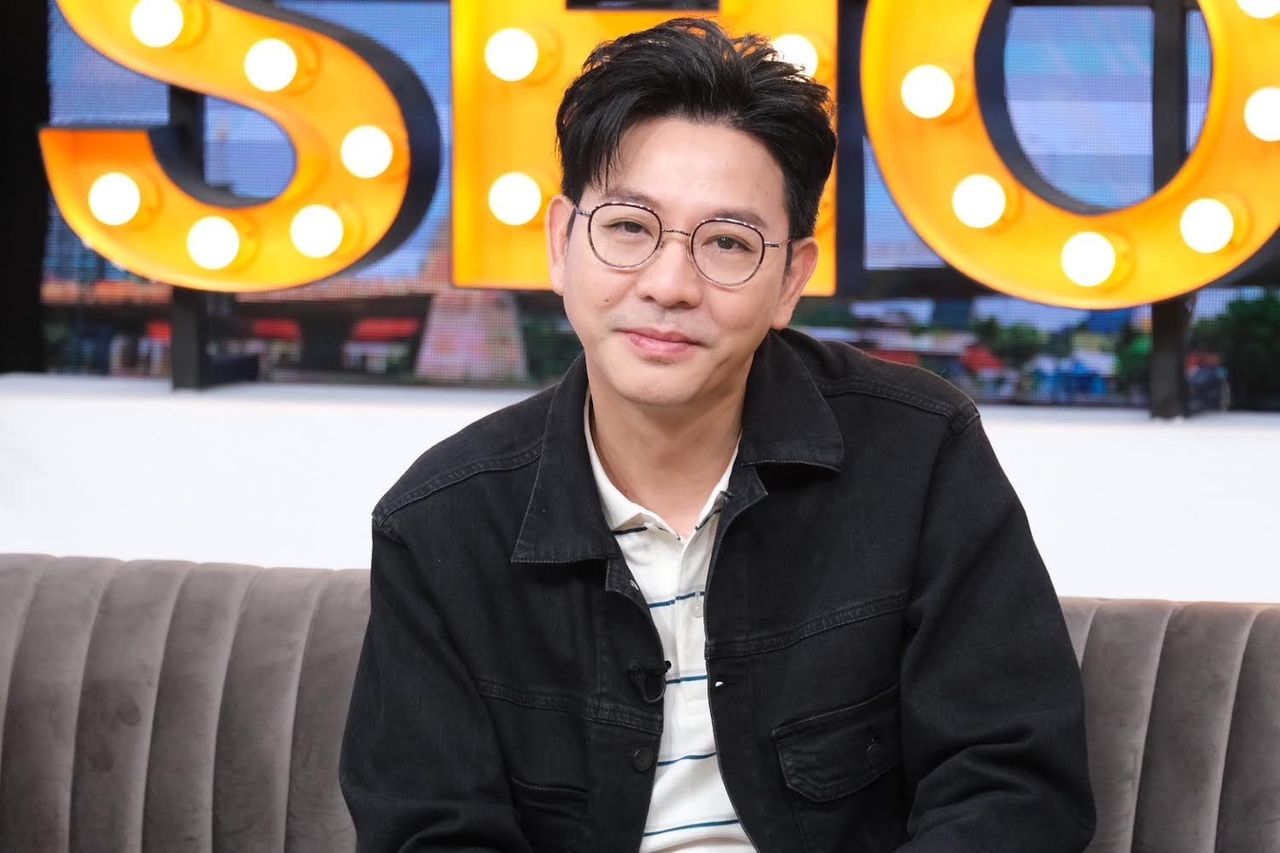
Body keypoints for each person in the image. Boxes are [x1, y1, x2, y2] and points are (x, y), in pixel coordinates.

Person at [340, 17, 1095, 853]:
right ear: (561, 243)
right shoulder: (438, 524)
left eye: (728, 243)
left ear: (790, 280)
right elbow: (432, 833)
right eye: (629, 227)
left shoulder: (918, 454)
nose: (669, 284)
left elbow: (1013, 787)